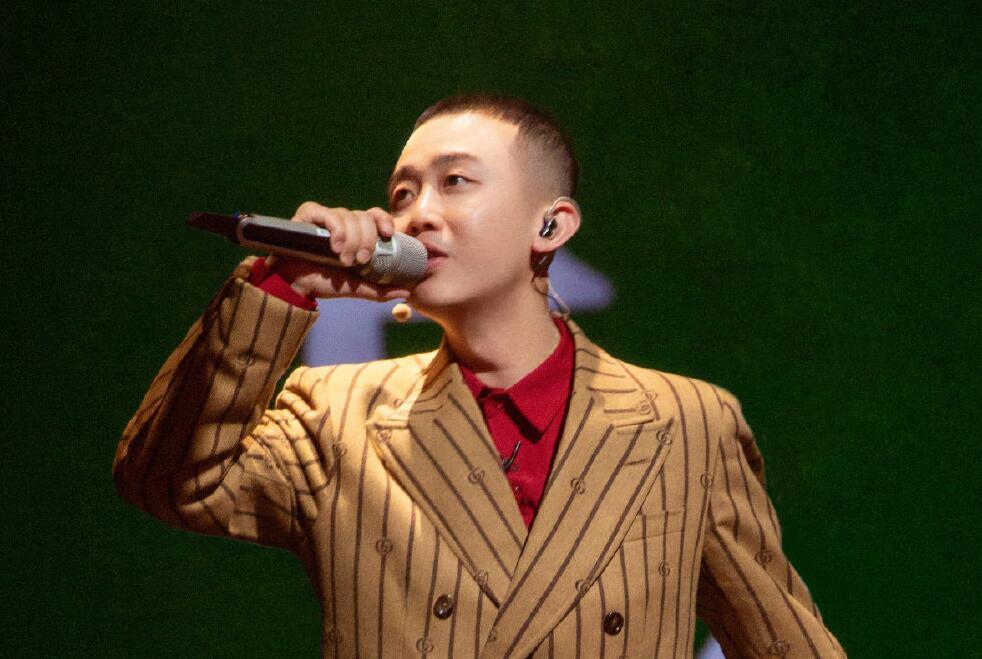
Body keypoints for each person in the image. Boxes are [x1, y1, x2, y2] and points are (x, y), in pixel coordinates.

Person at [113, 94, 845, 658]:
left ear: (551, 226)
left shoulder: (685, 423)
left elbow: (784, 643)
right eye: (403, 194)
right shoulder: (336, 414)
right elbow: (170, 483)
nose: (417, 216)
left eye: (454, 182)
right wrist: (284, 285)